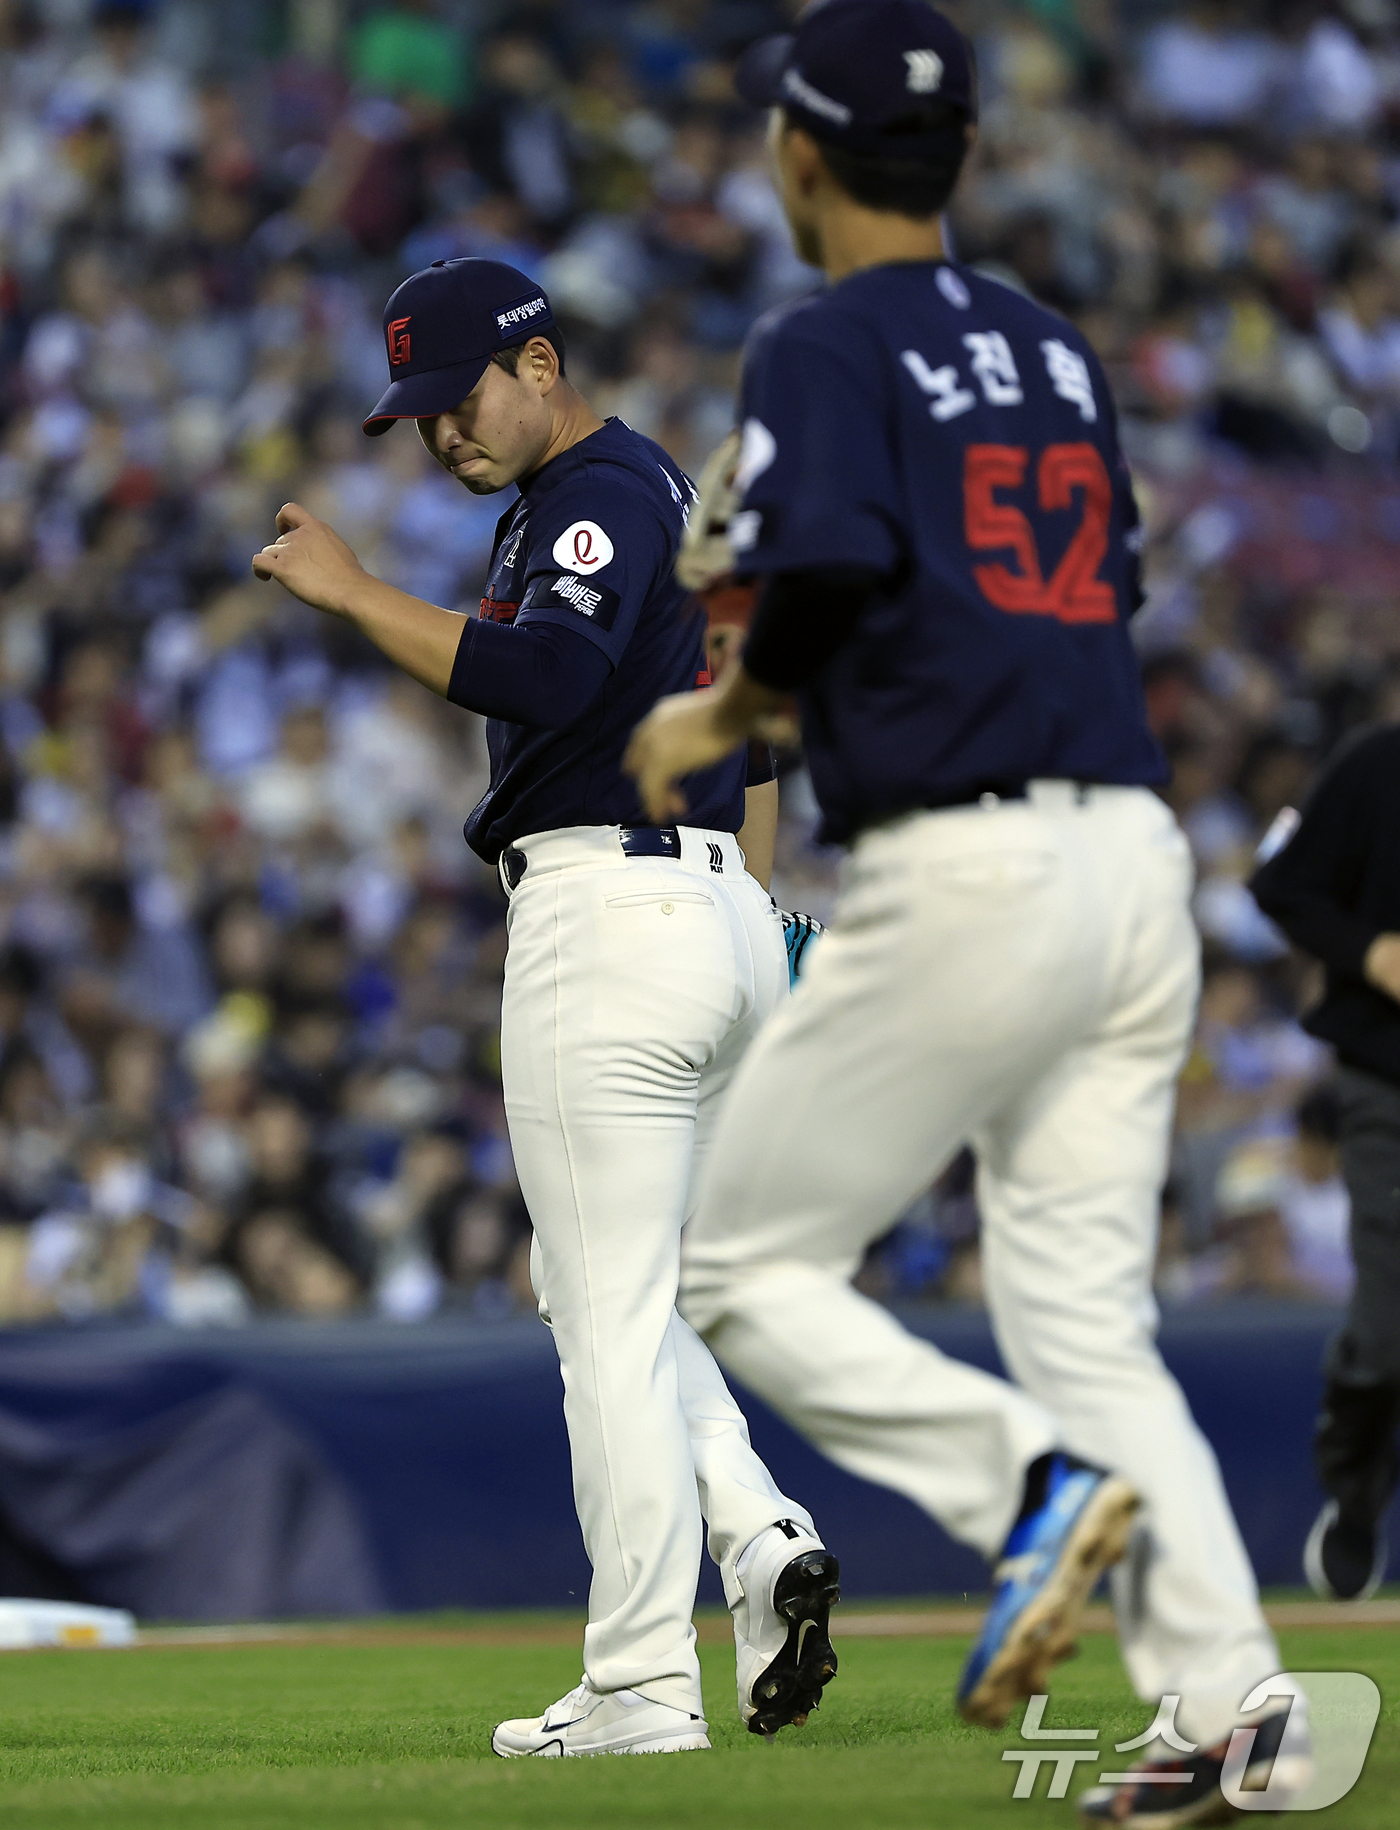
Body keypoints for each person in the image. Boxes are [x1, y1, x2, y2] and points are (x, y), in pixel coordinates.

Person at [625, 4, 1308, 1818]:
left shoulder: (821, 339)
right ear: (972, 158)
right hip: (1136, 862)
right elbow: (1111, 574)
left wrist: (726, 704)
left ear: (798, 155)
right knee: (1087, 1314)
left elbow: (833, 564)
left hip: (971, 860)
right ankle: (1232, 1711)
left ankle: (1028, 1489)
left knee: (740, 1266)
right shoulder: (1054, 345)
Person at [251, 257, 839, 1757]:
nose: (441, 430)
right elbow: (752, 746)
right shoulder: (634, 503)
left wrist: (358, 593)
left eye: (457, 395)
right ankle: (759, 1532)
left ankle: (644, 1683)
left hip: (610, 903)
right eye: (417, 414)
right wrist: (754, 915)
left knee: (608, 1320)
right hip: (701, 902)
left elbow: (552, 670)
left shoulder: (603, 492)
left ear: (538, 362)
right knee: (606, 1294)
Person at [1250, 721, 1400, 1603]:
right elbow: (1283, 882)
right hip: (1389, 1076)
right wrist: (1370, 949)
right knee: (1385, 1332)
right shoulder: (1379, 762)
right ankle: (1352, 1490)